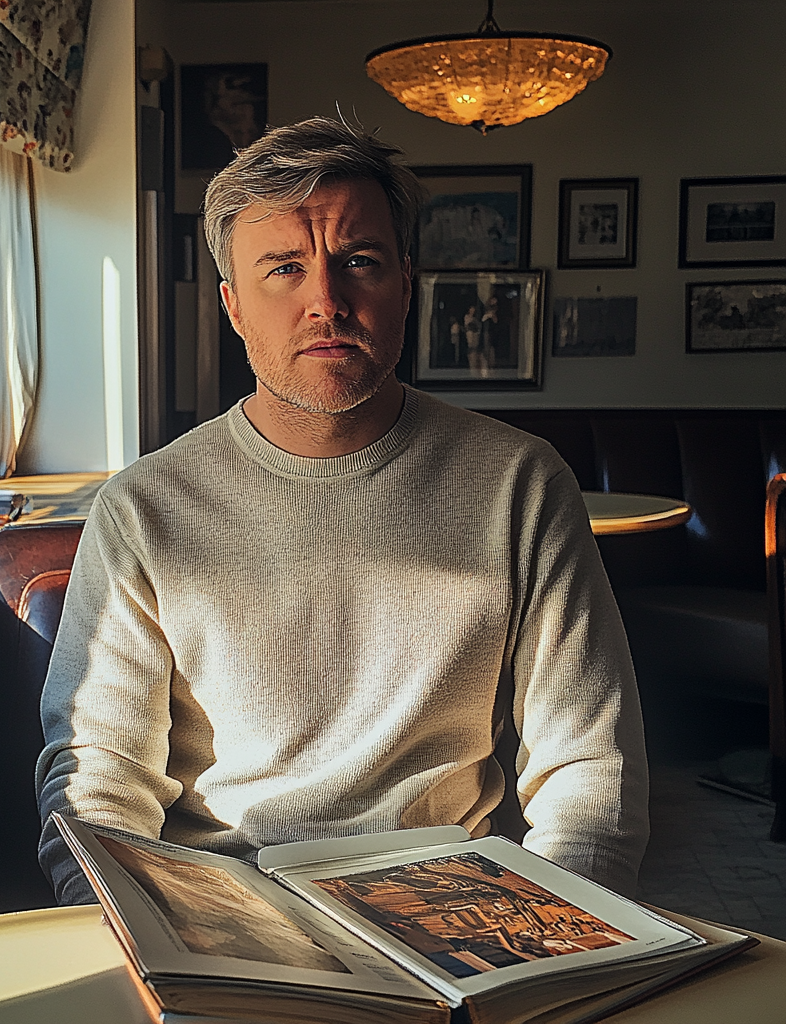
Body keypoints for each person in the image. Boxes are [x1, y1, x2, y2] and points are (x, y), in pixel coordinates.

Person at [36, 117, 648, 905]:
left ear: (406, 284)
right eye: (284, 269)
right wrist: (128, 934)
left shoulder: (520, 484)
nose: (326, 302)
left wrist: (556, 939)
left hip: (456, 909)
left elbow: (591, 770)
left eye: (358, 262)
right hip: (226, 913)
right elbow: (98, 774)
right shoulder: (145, 510)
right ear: (233, 306)